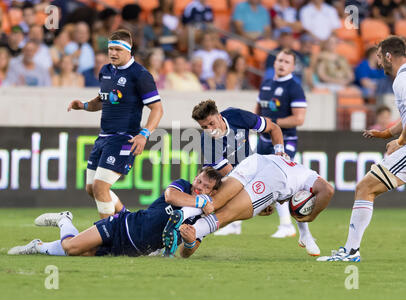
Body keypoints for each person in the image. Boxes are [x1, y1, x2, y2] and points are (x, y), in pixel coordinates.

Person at [317, 36, 406, 262]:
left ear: (388, 56)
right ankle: (350, 250)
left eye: (378, 57)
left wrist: (400, 142)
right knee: (366, 187)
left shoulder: (402, 81)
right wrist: (387, 133)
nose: (378, 63)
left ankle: (351, 251)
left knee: (365, 187)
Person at [8, 167, 223, 258]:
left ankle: (38, 246)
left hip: (132, 250)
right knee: (71, 247)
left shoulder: (202, 219)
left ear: (213, 191)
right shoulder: (183, 186)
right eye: (199, 180)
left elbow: (187, 253)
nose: (199, 186)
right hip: (123, 225)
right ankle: (64, 220)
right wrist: (199, 200)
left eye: (205, 187)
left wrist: (189, 242)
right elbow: (170, 197)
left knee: (83, 253)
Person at [67, 29, 163, 220]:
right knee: (91, 188)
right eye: (110, 48)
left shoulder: (140, 75)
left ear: (129, 50)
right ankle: (128, 220)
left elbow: (157, 109)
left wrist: (144, 134)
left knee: (101, 186)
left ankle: (106, 236)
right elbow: (104, 100)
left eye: (118, 49)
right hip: (104, 136)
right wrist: (84, 106)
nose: (113, 53)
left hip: (124, 138)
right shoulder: (106, 71)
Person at [163, 153, 334, 258]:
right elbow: (327, 191)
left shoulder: (304, 173)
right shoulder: (312, 182)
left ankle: (183, 213)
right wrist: (311, 217)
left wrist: (305, 233)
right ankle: (191, 232)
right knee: (230, 214)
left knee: (217, 199)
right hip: (275, 178)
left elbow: (298, 206)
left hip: (258, 160)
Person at [254, 49, 319, 255]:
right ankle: (235, 224)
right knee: (252, 178)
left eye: (286, 61)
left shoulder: (294, 88)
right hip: (263, 141)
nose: (281, 64)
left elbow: (299, 119)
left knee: (284, 181)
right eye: (279, 60)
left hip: (286, 140)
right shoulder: (266, 84)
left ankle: (292, 227)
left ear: (292, 66)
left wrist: (272, 124)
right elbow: (257, 111)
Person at [192, 99, 286, 235]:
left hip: (249, 167)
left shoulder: (238, 116)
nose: (210, 130)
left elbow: (274, 128)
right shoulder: (207, 141)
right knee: (203, 210)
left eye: (211, 123)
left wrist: (279, 153)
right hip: (219, 179)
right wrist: (259, 202)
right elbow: (233, 178)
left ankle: (296, 230)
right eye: (205, 127)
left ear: (219, 117)